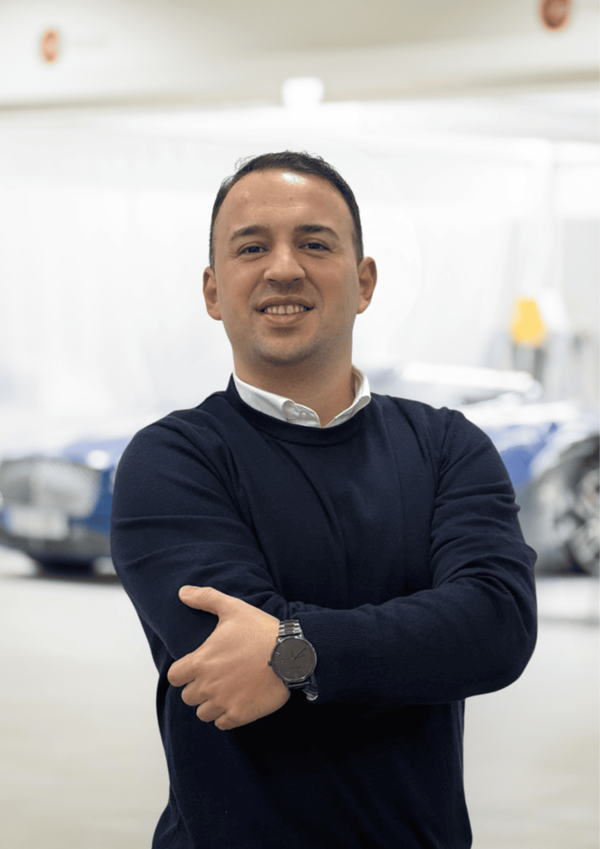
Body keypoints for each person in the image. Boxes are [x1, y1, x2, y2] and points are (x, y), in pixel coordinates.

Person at [110, 151, 537, 849]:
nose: (283, 268)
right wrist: (414, 646)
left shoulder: (447, 446)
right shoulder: (172, 460)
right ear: (213, 290)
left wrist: (291, 649)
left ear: (363, 282)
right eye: (252, 247)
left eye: (314, 243)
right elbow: (225, 660)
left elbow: (497, 626)